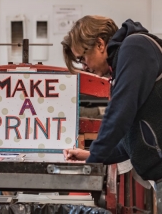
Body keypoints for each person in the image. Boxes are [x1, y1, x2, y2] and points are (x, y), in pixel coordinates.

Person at [61, 15, 162, 212]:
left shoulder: (135, 47)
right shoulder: (125, 61)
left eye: (82, 58)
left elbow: (119, 114)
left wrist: (91, 165)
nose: (85, 67)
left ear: (100, 44)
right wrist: (90, 155)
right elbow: (130, 141)